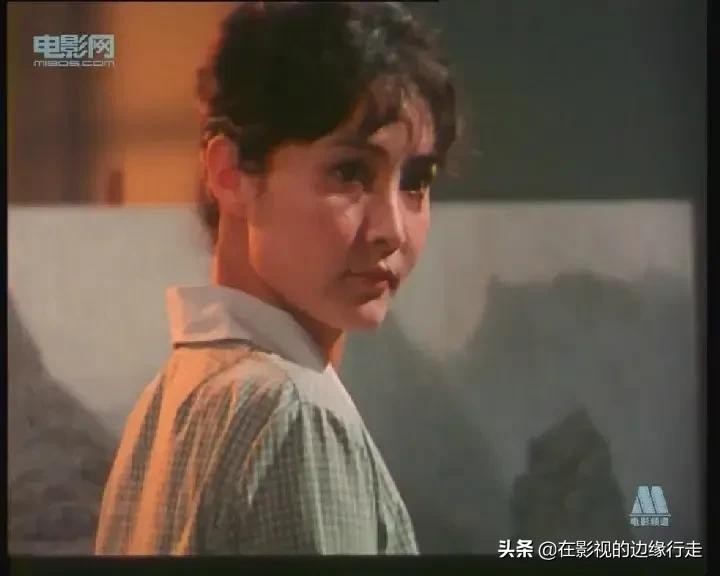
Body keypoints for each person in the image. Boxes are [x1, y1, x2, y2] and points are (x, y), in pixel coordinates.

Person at [95, 1, 458, 555]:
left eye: (416, 181)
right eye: (349, 171)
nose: (392, 229)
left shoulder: (169, 400)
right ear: (231, 174)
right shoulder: (294, 414)